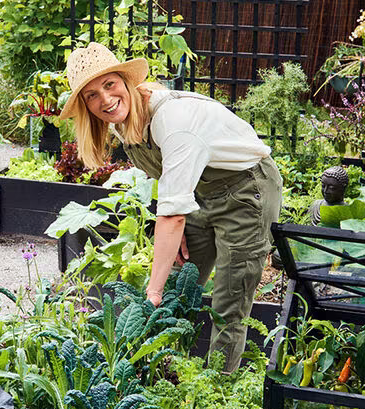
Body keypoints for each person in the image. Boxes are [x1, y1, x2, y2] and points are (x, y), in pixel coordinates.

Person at [58, 42, 283, 371]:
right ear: (84, 106)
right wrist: (177, 223)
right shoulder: (126, 123)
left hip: (247, 193)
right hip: (201, 194)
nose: (104, 100)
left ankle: (213, 398)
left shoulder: (173, 120)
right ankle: (163, 377)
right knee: (181, 284)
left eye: (109, 85)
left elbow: (172, 215)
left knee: (228, 303)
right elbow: (171, 188)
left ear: (126, 82)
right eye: (91, 95)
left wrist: (152, 289)